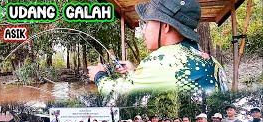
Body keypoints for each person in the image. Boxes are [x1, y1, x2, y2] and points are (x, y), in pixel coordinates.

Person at [88, 0, 227, 96]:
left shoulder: (162, 61)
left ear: (165, 26)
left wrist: (99, 76)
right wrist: (134, 72)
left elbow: (116, 93)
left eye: (147, 23)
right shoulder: (212, 61)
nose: (144, 31)